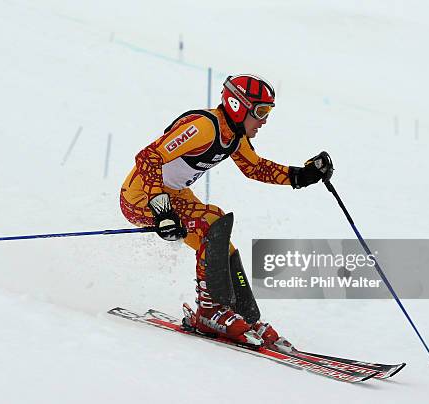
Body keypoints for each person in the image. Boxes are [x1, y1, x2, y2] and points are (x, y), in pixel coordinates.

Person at [120, 74, 333, 348]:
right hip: (141, 196)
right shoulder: (204, 127)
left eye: (268, 111)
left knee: (222, 244)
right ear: (237, 105)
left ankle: (245, 314)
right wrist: (161, 209)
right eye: (261, 111)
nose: (265, 120)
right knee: (212, 221)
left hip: (173, 196)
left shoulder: (233, 135)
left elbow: (254, 167)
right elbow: (148, 157)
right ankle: (209, 312)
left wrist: (302, 175)